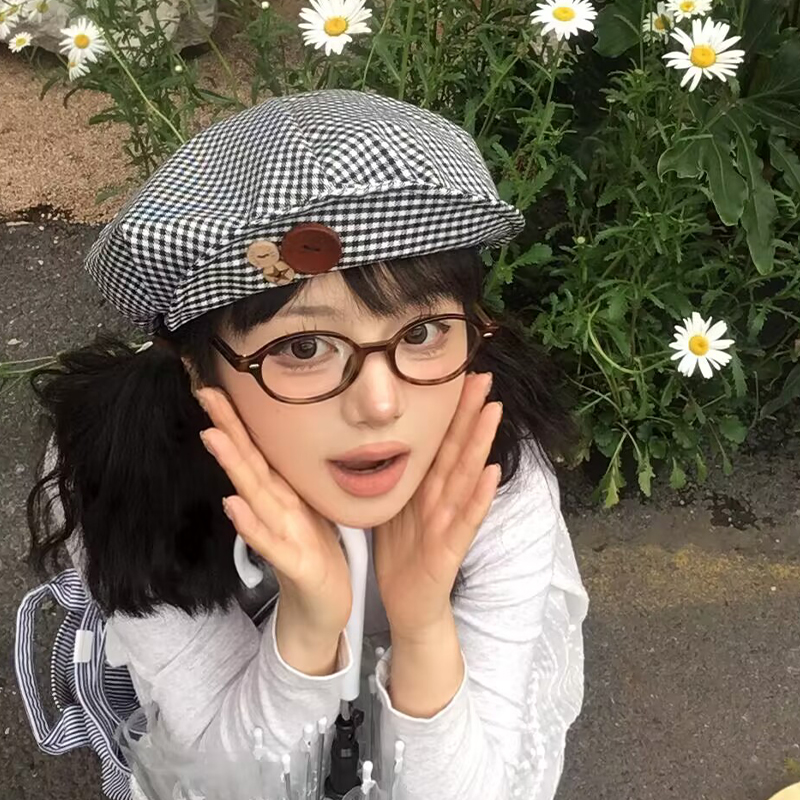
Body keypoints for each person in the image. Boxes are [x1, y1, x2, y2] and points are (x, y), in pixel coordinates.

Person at [24, 88, 589, 800]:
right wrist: (309, 626)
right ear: (196, 366)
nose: (382, 404)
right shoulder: (122, 474)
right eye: (304, 347)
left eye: (421, 332)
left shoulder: (492, 471)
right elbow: (228, 786)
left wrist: (422, 626)